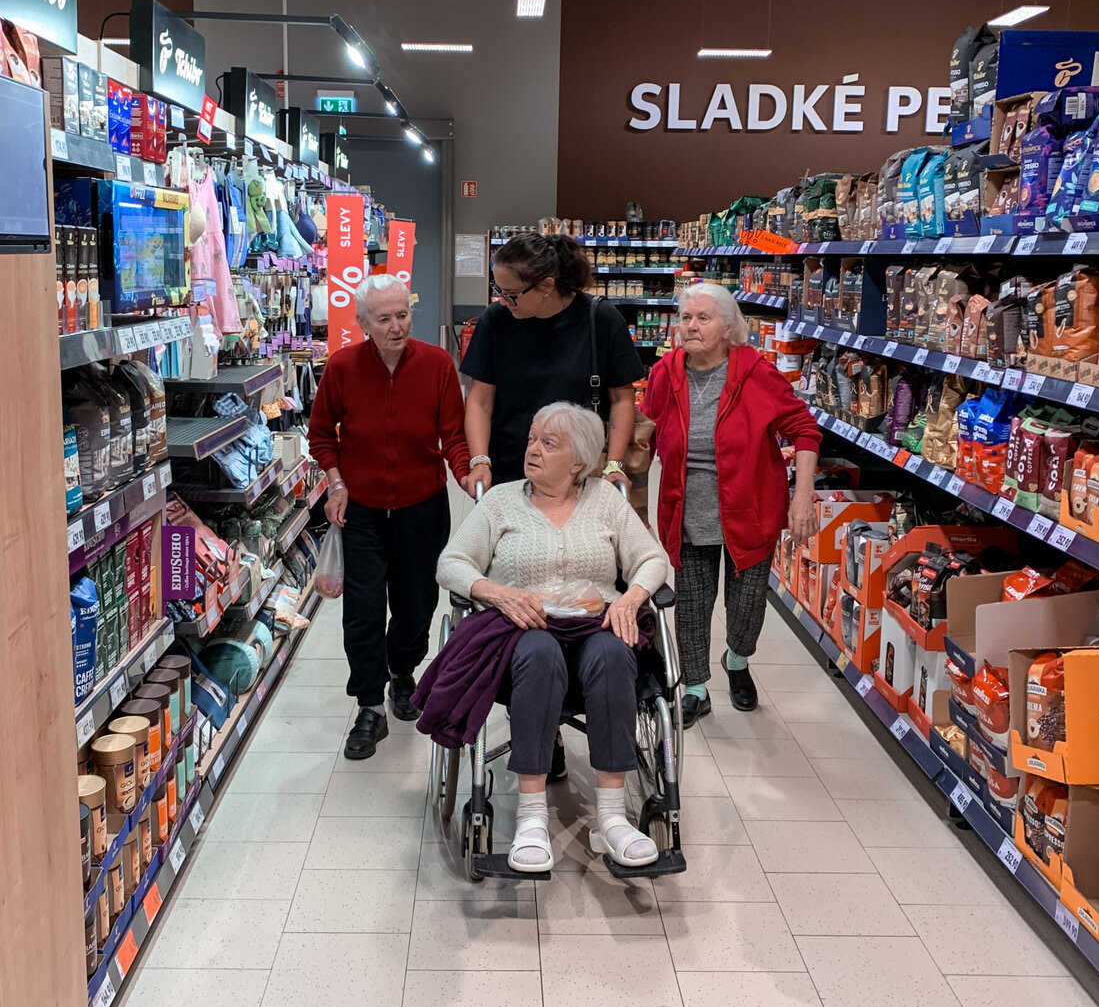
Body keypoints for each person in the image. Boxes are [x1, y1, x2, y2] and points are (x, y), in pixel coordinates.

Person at [435, 402, 671, 872]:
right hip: (522, 635)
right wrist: (497, 593)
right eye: (532, 439)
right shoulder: (501, 501)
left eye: (549, 443)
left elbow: (652, 559)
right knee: (540, 653)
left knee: (613, 654)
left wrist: (631, 599)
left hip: (594, 625)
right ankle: (531, 817)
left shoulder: (606, 501)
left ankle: (612, 818)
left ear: (578, 460)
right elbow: (451, 562)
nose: (533, 449)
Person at [641, 283, 821, 726]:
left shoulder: (756, 372)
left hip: (751, 510)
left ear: (728, 327)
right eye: (686, 317)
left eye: (703, 318)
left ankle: (737, 660)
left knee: (747, 604)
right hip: (687, 510)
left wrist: (802, 497)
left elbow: (805, 430)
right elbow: (644, 434)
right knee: (692, 604)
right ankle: (696, 689)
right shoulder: (666, 372)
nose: (691, 326)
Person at [308, 274, 471, 761]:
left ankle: (403, 672)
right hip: (361, 509)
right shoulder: (342, 368)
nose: (397, 326)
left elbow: (454, 436)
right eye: (384, 319)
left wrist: (470, 478)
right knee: (362, 609)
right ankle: (368, 704)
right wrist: (336, 483)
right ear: (363, 323)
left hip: (422, 505)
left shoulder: (438, 365)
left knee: (416, 603)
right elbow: (321, 435)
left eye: (403, 315)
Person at [461, 232, 645, 493]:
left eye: (512, 294)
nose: (503, 300)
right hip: (510, 471)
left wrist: (613, 465)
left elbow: (621, 399)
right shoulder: (496, 320)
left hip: (580, 473)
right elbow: (480, 401)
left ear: (547, 285)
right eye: (499, 290)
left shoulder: (600, 319)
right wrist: (480, 461)